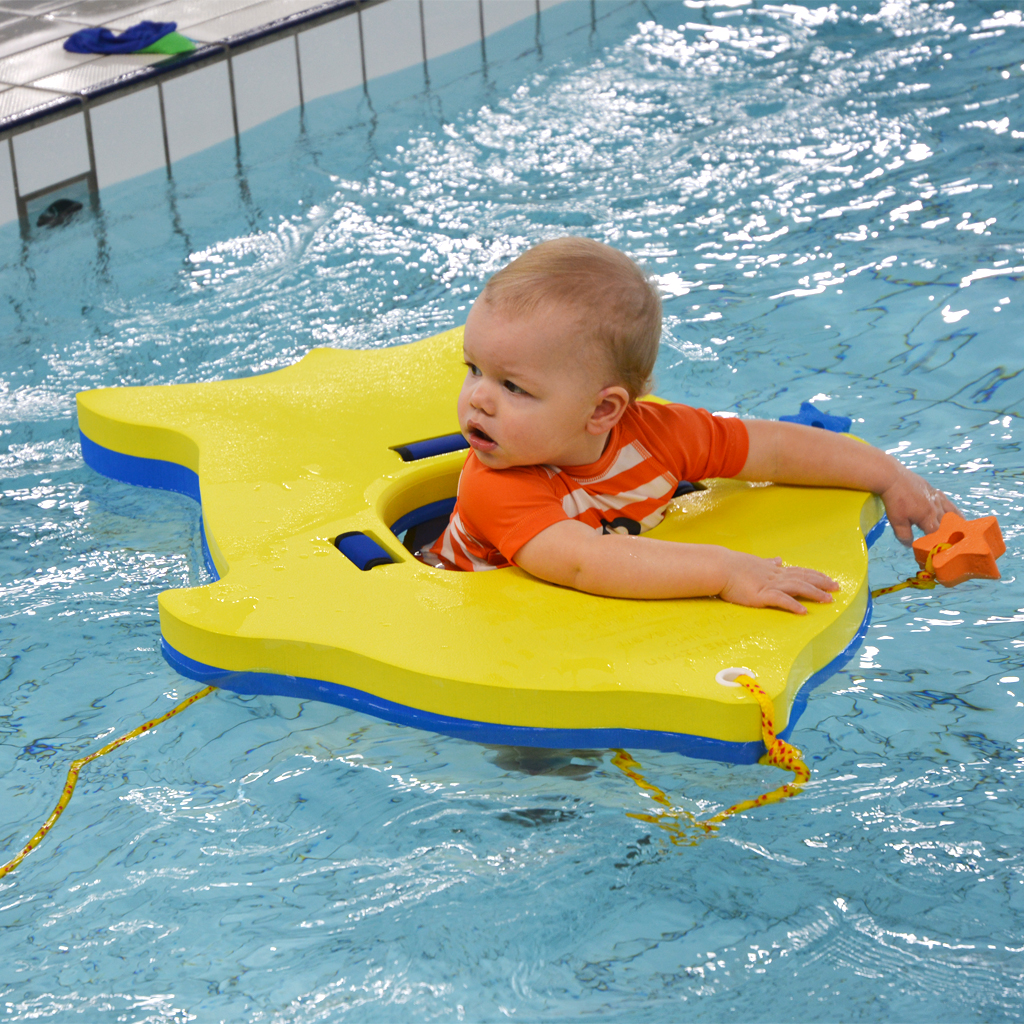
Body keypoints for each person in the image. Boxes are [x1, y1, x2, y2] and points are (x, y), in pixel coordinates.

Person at [425, 237, 956, 614]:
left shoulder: (658, 436)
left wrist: (887, 476)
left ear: (603, 411)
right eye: (474, 369)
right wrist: (725, 571)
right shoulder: (493, 482)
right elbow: (586, 564)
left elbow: (769, 448)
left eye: (513, 387)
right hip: (469, 613)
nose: (478, 400)